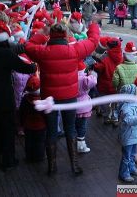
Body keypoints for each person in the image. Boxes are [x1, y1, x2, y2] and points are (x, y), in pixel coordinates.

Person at [25, 21, 100, 176]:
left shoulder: (42, 52)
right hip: (69, 97)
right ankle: (74, 165)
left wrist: (41, 34)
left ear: (50, 35)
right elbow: (93, 41)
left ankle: (52, 167)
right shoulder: (74, 50)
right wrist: (93, 24)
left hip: (49, 99)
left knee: (51, 131)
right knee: (70, 129)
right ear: (66, 35)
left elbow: (28, 45)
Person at [0, 21, 37, 170]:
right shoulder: (6, 53)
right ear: (5, 38)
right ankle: (8, 160)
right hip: (3, 98)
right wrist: (34, 65)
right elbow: (25, 68)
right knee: (7, 129)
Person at [20, 75, 46, 163]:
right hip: (41, 126)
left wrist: (21, 123)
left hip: (28, 125)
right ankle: (39, 157)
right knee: (40, 142)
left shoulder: (25, 99)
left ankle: (29, 157)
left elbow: (21, 112)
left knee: (28, 142)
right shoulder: (43, 100)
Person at [75, 62, 97, 153]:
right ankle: (81, 145)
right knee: (82, 126)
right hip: (84, 107)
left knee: (73, 125)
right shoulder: (85, 79)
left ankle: (72, 142)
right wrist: (91, 75)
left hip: (73, 105)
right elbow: (94, 81)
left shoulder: (71, 78)